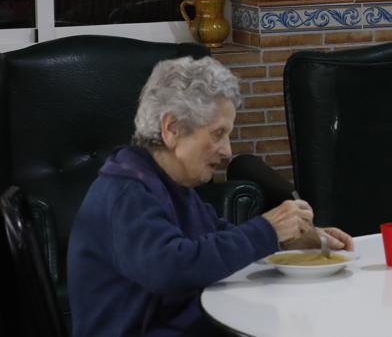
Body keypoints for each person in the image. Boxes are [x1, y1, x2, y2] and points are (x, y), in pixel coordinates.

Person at [67, 57, 353, 337]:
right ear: (172, 128)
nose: (227, 151)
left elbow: (217, 241)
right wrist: (268, 229)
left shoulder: (170, 186)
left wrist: (289, 239)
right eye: (218, 134)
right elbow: (172, 268)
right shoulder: (125, 194)